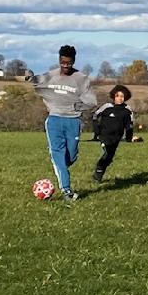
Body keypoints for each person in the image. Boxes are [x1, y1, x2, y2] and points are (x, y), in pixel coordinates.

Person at [33, 44, 98, 201]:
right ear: (59, 60)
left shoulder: (81, 79)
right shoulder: (51, 76)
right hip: (54, 119)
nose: (65, 66)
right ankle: (66, 190)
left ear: (73, 61)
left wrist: (80, 106)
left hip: (73, 121)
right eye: (63, 62)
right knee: (58, 153)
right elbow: (37, 82)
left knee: (71, 156)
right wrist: (30, 77)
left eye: (69, 63)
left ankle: (60, 167)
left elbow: (92, 101)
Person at [91, 84, 135, 183]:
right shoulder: (107, 107)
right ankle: (98, 174)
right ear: (113, 96)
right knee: (107, 154)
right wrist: (97, 131)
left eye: (122, 96)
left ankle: (98, 173)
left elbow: (129, 125)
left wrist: (129, 137)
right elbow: (95, 116)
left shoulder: (127, 110)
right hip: (104, 136)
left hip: (116, 138)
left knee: (109, 157)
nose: (120, 98)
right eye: (118, 96)